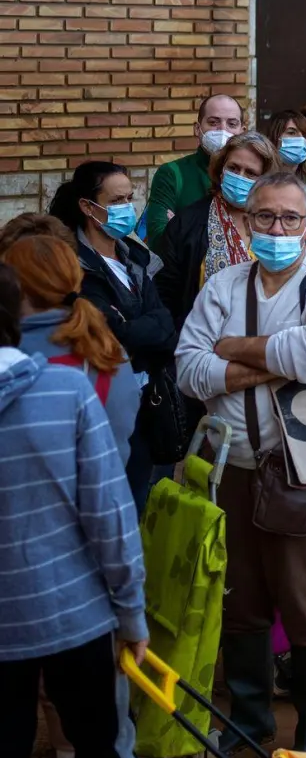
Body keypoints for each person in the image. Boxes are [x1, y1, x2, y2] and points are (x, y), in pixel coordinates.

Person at [175, 170, 306, 755]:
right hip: (231, 465)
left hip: (303, 469)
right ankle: (252, 722)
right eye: (264, 217)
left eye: (289, 219)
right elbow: (187, 370)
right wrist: (274, 361)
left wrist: (228, 351)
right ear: (243, 221)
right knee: (242, 600)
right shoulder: (224, 286)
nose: (276, 229)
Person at [0, 261, 147, 758]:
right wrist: (132, 614)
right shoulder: (66, 390)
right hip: (76, 617)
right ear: (16, 320)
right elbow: (108, 517)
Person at [48, 162, 178, 513]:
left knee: (142, 500)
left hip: (148, 398)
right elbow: (111, 333)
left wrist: (137, 326)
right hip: (103, 403)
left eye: (130, 198)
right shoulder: (76, 266)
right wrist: (141, 327)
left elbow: (166, 326)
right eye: (117, 199)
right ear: (89, 207)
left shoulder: (135, 256)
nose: (127, 207)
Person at [5, 227, 141, 467]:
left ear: (16, 287)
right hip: (103, 489)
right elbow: (122, 428)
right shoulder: (107, 347)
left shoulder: (14, 354)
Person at [156, 130, 278, 335]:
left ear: (265, 181)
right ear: (221, 171)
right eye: (233, 168)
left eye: (250, 173)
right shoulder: (188, 223)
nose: (240, 177)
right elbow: (165, 295)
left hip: (269, 346)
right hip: (202, 346)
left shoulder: (279, 223)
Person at [148, 93, 246, 248]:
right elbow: (159, 241)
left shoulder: (252, 176)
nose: (222, 130)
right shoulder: (172, 174)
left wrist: (181, 226)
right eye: (213, 122)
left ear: (242, 131)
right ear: (197, 129)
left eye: (232, 124)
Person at [265, 108, 306, 187]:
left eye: (305, 136)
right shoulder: (259, 178)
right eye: (291, 133)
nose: (301, 139)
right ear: (273, 137)